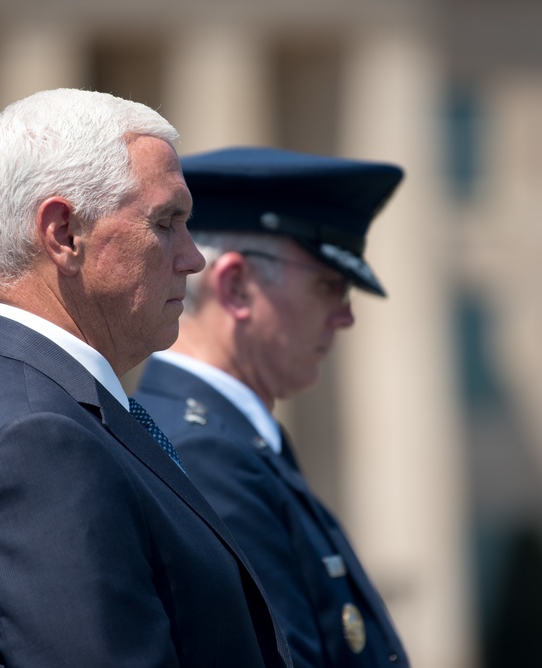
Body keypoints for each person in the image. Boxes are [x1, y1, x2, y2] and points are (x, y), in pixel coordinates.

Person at [0, 90, 292, 668]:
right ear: (63, 233)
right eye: (166, 222)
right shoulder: (36, 441)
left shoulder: (15, 401)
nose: (193, 257)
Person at [133, 146, 410, 667]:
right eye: (330, 286)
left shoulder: (228, 439)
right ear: (236, 286)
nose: (344, 317)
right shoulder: (206, 454)